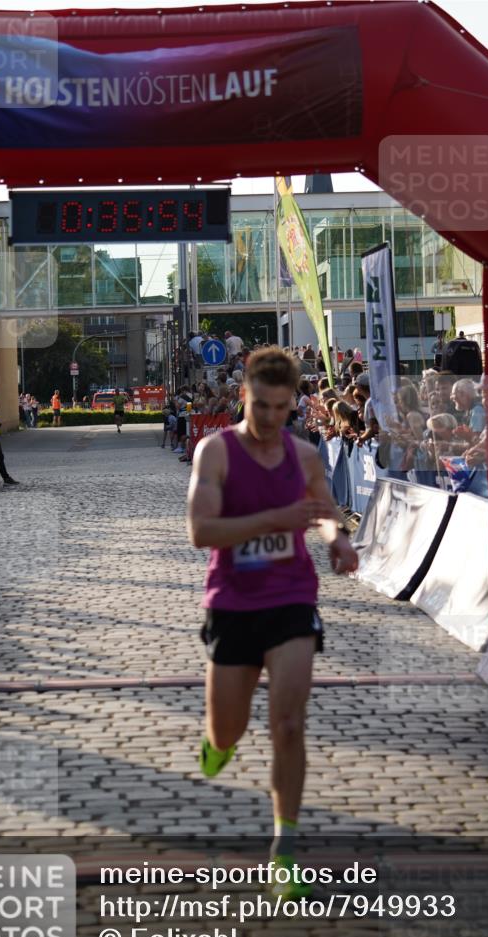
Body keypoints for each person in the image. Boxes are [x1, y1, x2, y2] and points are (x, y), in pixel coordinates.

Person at [187, 347, 358, 898]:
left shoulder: (303, 455)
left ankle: (284, 850)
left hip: (290, 598)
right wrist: (275, 519)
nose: (269, 418)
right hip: (233, 603)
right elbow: (202, 532)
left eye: (281, 408)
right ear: (245, 396)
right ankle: (218, 743)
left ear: (292, 404)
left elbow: (324, 512)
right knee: (227, 730)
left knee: (288, 724)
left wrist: (339, 544)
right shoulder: (214, 452)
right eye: (261, 405)